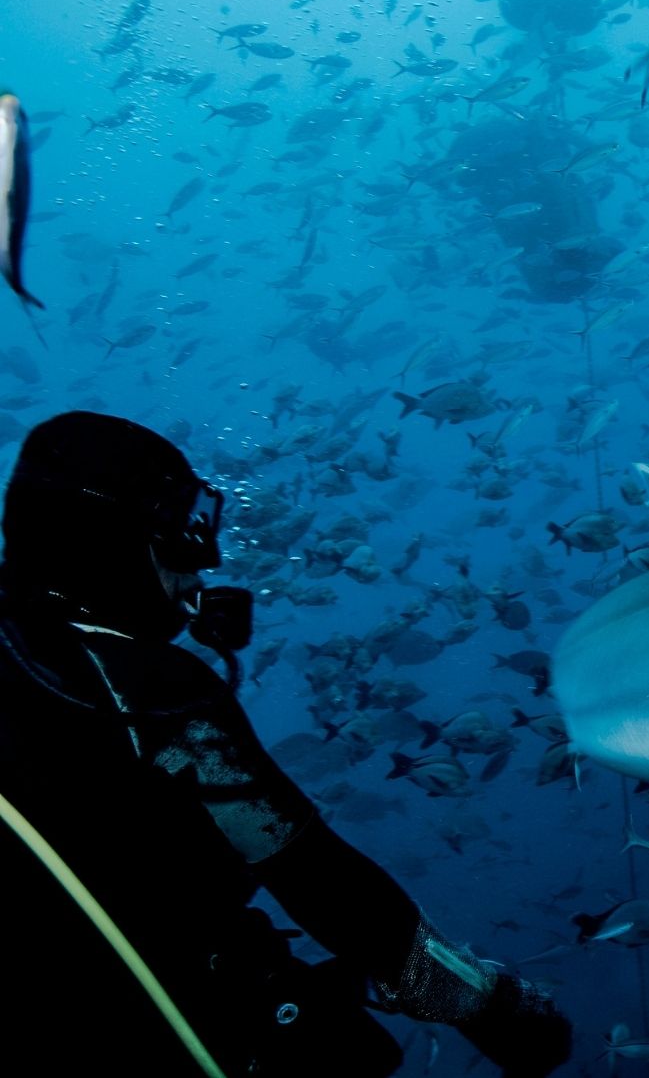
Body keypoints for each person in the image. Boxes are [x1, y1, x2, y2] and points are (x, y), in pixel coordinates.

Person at [0, 411, 571, 1077]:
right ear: (109, 542)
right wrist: (494, 1009)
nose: (205, 564)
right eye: (183, 539)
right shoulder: (149, 694)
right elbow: (323, 883)